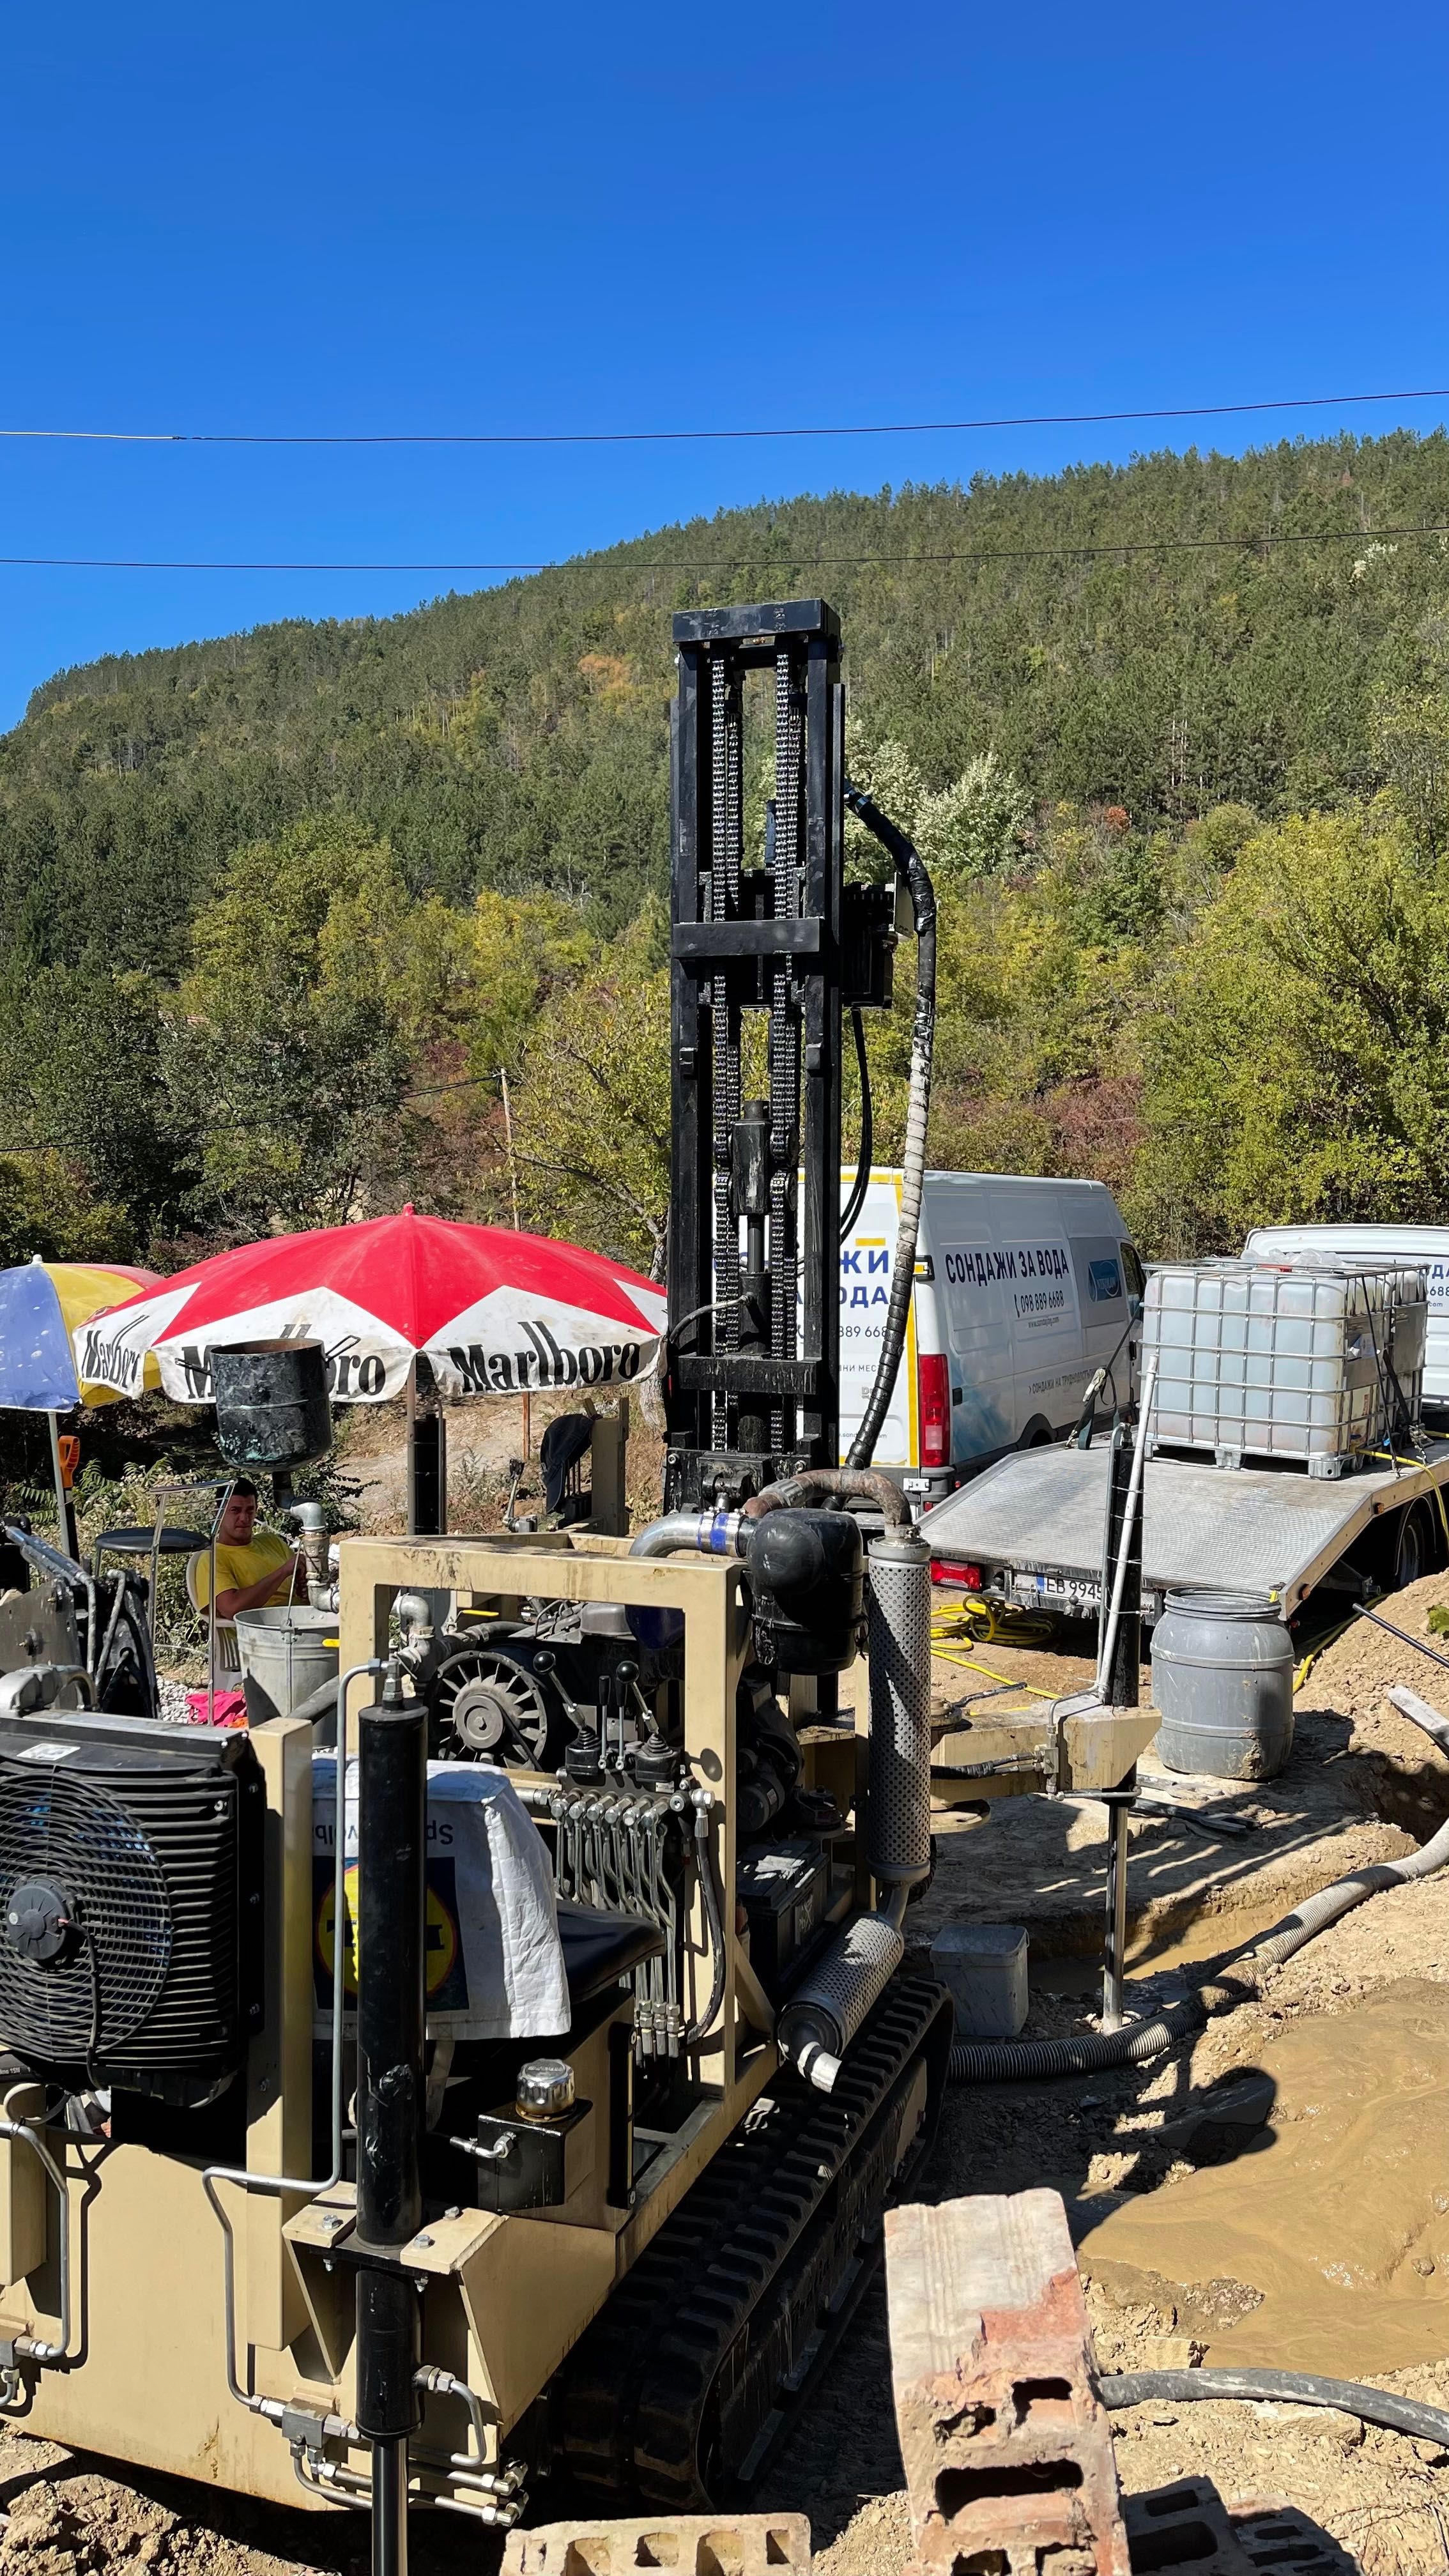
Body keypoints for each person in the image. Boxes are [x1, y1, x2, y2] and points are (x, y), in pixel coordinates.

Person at [192, 1478, 301, 1623]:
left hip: (304, 1619)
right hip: (265, 1635)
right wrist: (283, 1572)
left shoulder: (271, 1541)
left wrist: (304, 1585)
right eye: (235, 1511)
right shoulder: (212, 1558)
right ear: (219, 1513)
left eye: (250, 1510)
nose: (244, 1518)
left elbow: (298, 1581)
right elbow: (231, 1609)